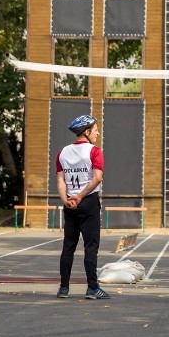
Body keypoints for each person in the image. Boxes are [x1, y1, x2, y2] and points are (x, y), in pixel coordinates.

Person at [56, 114, 110, 300]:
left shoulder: (62, 152)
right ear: (86, 132)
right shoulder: (95, 151)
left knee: (68, 246)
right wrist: (80, 196)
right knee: (91, 246)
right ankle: (92, 288)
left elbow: (61, 180)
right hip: (87, 200)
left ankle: (63, 288)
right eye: (95, 130)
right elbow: (97, 178)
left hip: (70, 202)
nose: (97, 133)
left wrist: (66, 199)